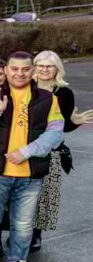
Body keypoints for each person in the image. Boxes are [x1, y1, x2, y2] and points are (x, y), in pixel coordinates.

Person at [0, 52, 65, 262]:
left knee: (23, 223)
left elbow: (55, 133)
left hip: (30, 173)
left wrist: (26, 152)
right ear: (7, 69)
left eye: (24, 69)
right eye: (14, 69)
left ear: (32, 71)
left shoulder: (47, 98)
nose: (19, 73)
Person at [29, 51, 92, 251]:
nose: (45, 69)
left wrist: (74, 122)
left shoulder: (64, 93)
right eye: (40, 65)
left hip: (51, 149)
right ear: (34, 67)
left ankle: (36, 234)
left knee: (46, 193)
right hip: (23, 146)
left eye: (49, 66)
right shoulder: (25, 88)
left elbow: (61, 126)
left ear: (57, 69)